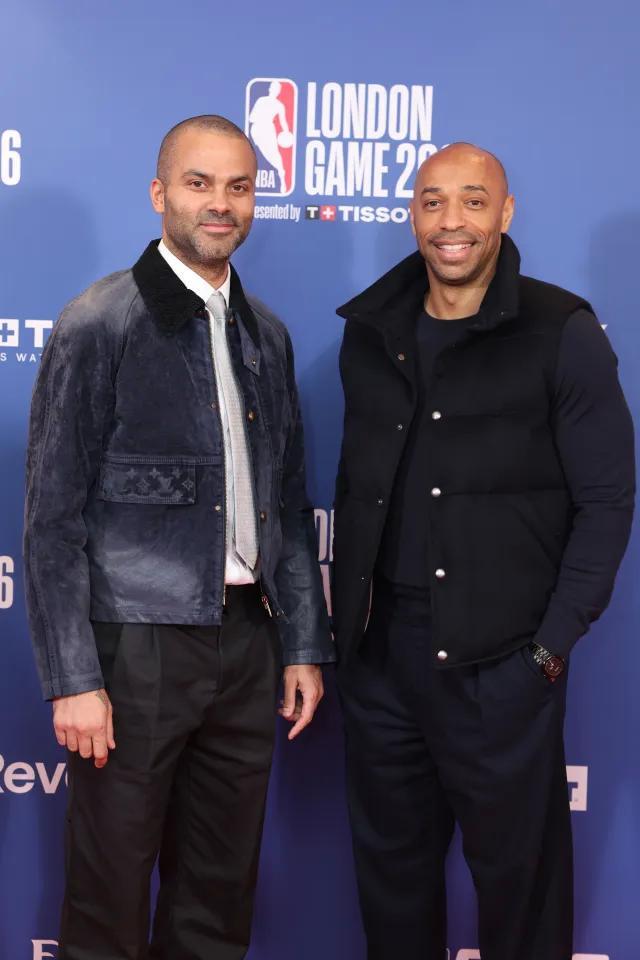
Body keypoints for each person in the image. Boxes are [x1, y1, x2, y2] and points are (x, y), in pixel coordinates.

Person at [24, 114, 334, 960]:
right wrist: (73, 679)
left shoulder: (266, 332)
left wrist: (302, 645)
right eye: (199, 183)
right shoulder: (100, 322)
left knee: (217, 893)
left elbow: (288, 505)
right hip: (134, 647)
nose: (220, 203)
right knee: (111, 892)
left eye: (239, 187)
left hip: (246, 644)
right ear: (161, 193)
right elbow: (50, 521)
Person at [332, 142, 634, 960]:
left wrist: (547, 649)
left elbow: (607, 503)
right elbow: (356, 490)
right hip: (381, 664)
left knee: (522, 897)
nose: (451, 220)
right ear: (412, 215)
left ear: (504, 213)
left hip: (502, 667)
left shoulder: (561, 331)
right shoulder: (369, 333)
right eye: (433, 201)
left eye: (473, 200)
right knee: (392, 892)